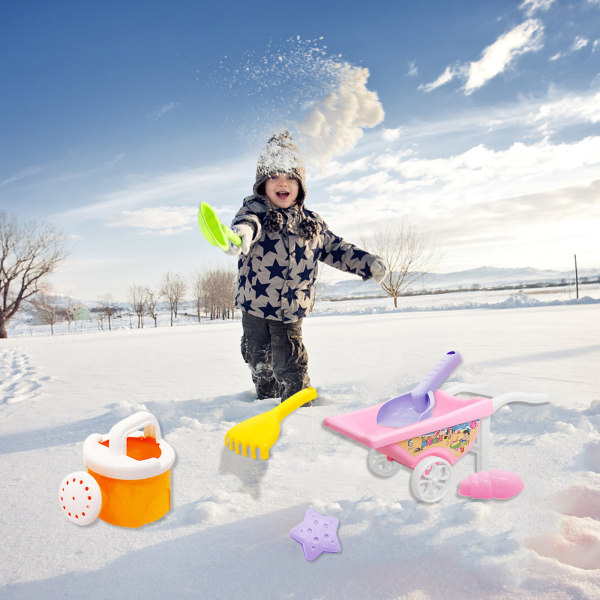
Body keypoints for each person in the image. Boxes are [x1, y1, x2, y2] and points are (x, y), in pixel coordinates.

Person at [225, 131, 387, 404]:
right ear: (263, 183)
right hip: (254, 308)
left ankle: (299, 411)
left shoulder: (311, 223)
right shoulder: (256, 213)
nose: (282, 183)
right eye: (274, 176)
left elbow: (337, 248)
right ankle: (264, 404)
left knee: (290, 363)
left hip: (289, 312)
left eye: (290, 176)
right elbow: (247, 224)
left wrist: (367, 263)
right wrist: (240, 234)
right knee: (257, 358)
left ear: (300, 184)